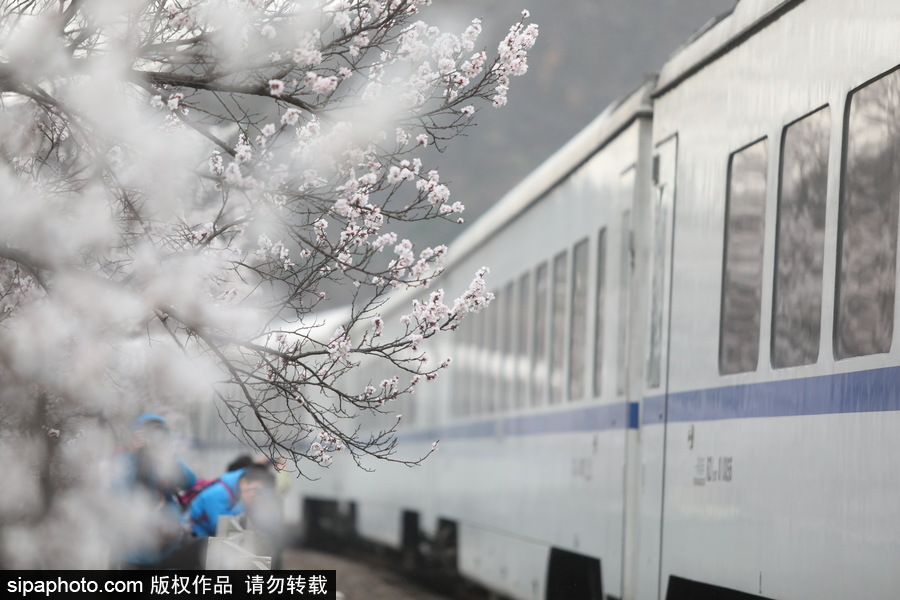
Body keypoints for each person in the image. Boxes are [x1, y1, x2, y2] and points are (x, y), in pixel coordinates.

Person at [113, 413, 206, 569]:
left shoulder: (166, 461)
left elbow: (190, 482)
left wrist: (168, 459)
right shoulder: (125, 461)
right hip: (134, 549)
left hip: (166, 543)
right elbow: (119, 491)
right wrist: (134, 457)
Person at [188, 463, 277, 538]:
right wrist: (242, 504)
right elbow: (220, 528)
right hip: (192, 537)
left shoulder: (236, 491)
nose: (257, 495)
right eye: (257, 490)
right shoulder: (218, 493)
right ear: (244, 482)